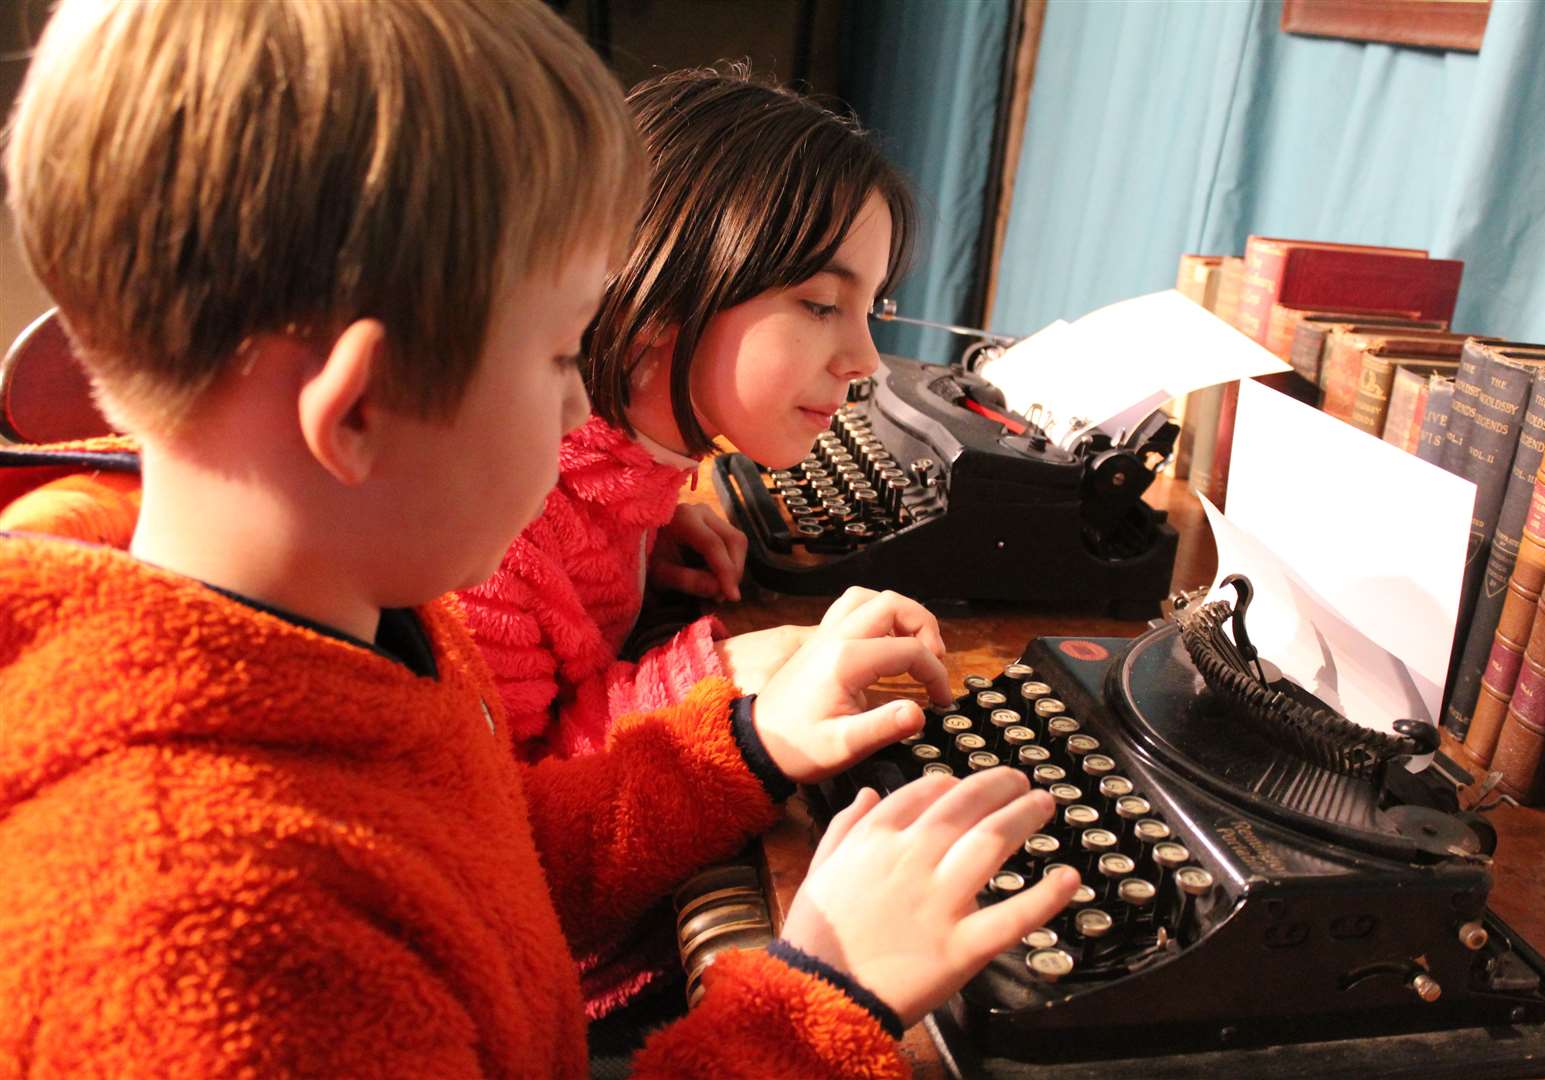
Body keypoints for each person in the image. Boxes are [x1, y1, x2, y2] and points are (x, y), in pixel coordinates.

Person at [0, 3, 1078, 1077]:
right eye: (564, 357)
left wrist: (742, 748)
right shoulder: (214, 950)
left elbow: (489, 861)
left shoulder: (379, 617)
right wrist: (812, 1009)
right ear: (361, 408)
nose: (580, 418)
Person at [458, 68, 916, 764]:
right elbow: (509, 821)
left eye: (871, 309)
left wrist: (643, 532)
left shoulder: (620, 474)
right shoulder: (495, 542)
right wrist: (714, 684)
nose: (867, 360)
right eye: (822, 305)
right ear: (661, 295)